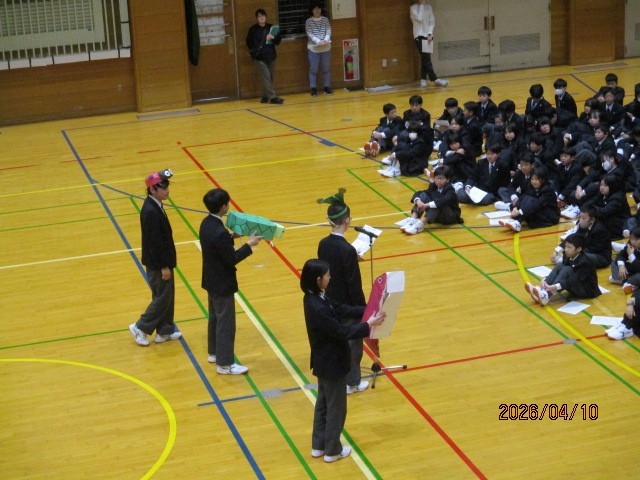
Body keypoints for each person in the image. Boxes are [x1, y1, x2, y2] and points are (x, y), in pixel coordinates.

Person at [301, 259, 385, 463]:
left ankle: (319, 445)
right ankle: (332, 450)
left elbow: (340, 309)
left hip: (323, 361)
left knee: (323, 404)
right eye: (327, 275)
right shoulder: (318, 308)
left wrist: (367, 311)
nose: (331, 277)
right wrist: (367, 325)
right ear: (318, 280)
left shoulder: (315, 297)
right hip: (333, 363)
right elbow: (342, 332)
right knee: (336, 408)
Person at [200, 188, 262, 375]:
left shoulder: (207, 223)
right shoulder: (219, 231)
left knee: (215, 318)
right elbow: (231, 258)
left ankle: (214, 353)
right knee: (225, 323)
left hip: (211, 279)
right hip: (222, 283)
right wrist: (249, 245)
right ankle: (225, 364)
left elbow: (217, 245)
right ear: (223, 206)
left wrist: (231, 237)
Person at [316, 190, 369, 395]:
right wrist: (363, 308)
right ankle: (352, 382)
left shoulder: (323, 244)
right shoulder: (347, 250)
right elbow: (353, 283)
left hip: (330, 300)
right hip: (347, 304)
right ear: (347, 221)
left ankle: (340, 377)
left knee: (337, 341)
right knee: (353, 345)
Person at [129, 168, 181, 347]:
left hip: (164, 260)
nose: (167, 191)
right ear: (152, 189)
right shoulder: (150, 211)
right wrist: (163, 266)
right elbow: (155, 242)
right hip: (158, 263)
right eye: (163, 188)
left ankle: (165, 330)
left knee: (168, 295)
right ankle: (140, 327)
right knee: (162, 297)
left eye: (167, 187)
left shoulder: (156, 204)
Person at [525, 233, 601, 305]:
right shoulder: (568, 255)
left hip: (587, 291)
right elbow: (561, 272)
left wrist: (555, 286)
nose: (566, 249)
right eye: (565, 246)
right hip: (574, 284)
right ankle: (542, 291)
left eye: (569, 247)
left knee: (567, 269)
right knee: (560, 266)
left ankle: (547, 294)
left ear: (578, 249)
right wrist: (545, 279)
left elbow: (574, 280)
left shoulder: (585, 262)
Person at [399, 165, 463, 234]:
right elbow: (420, 193)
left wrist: (426, 205)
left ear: (447, 180)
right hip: (437, 216)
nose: (439, 181)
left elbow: (443, 201)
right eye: (437, 178)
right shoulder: (433, 186)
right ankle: (413, 220)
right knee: (423, 196)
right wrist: (418, 201)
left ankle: (420, 225)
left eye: (441, 178)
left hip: (449, 217)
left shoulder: (450, 189)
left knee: (438, 204)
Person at [497, 166, 560, 232]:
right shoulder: (531, 187)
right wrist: (515, 208)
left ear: (543, 180)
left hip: (549, 217)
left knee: (532, 201)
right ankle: (514, 220)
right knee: (527, 198)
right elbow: (523, 198)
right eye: (532, 179)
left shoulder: (547, 190)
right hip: (537, 212)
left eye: (536, 179)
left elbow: (538, 204)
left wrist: (520, 212)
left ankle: (518, 221)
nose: (533, 182)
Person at [551, 205, 611, 269]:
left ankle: (564, 261)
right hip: (587, 251)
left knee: (579, 256)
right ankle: (567, 261)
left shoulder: (599, 230)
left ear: (592, 220)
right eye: (580, 217)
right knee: (569, 250)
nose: (580, 221)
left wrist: (574, 252)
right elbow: (573, 238)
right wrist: (557, 251)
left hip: (600, 257)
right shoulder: (583, 225)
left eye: (583, 218)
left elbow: (594, 249)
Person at [246, 8, 283, 104]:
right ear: (256, 18)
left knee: (270, 77)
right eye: (259, 16)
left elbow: (278, 41)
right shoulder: (253, 29)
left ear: (266, 17)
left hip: (271, 56)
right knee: (266, 77)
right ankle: (273, 97)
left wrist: (273, 37)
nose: (261, 18)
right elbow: (249, 42)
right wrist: (253, 51)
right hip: (259, 57)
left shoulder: (271, 28)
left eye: (263, 16)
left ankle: (265, 96)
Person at [410, 0, 448, 88]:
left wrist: (430, 33)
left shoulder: (429, 7)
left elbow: (432, 22)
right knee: (426, 58)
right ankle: (435, 79)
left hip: (428, 36)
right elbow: (419, 19)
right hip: (418, 36)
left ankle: (423, 79)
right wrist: (422, 6)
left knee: (425, 58)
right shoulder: (413, 8)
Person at [306, 3, 332, 96]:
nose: (317, 10)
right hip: (313, 49)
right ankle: (313, 88)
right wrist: (318, 41)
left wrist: (325, 40)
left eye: (319, 8)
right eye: (315, 9)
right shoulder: (308, 21)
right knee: (313, 70)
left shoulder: (325, 20)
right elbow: (309, 33)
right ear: (312, 10)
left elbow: (328, 30)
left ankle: (327, 87)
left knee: (326, 69)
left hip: (326, 48)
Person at [609, 227, 640, 295]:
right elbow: (620, 256)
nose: (633, 242)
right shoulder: (630, 244)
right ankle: (631, 283)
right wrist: (621, 266)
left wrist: (631, 255)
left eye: (636, 239)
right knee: (614, 263)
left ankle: (626, 282)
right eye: (631, 239)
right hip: (634, 269)